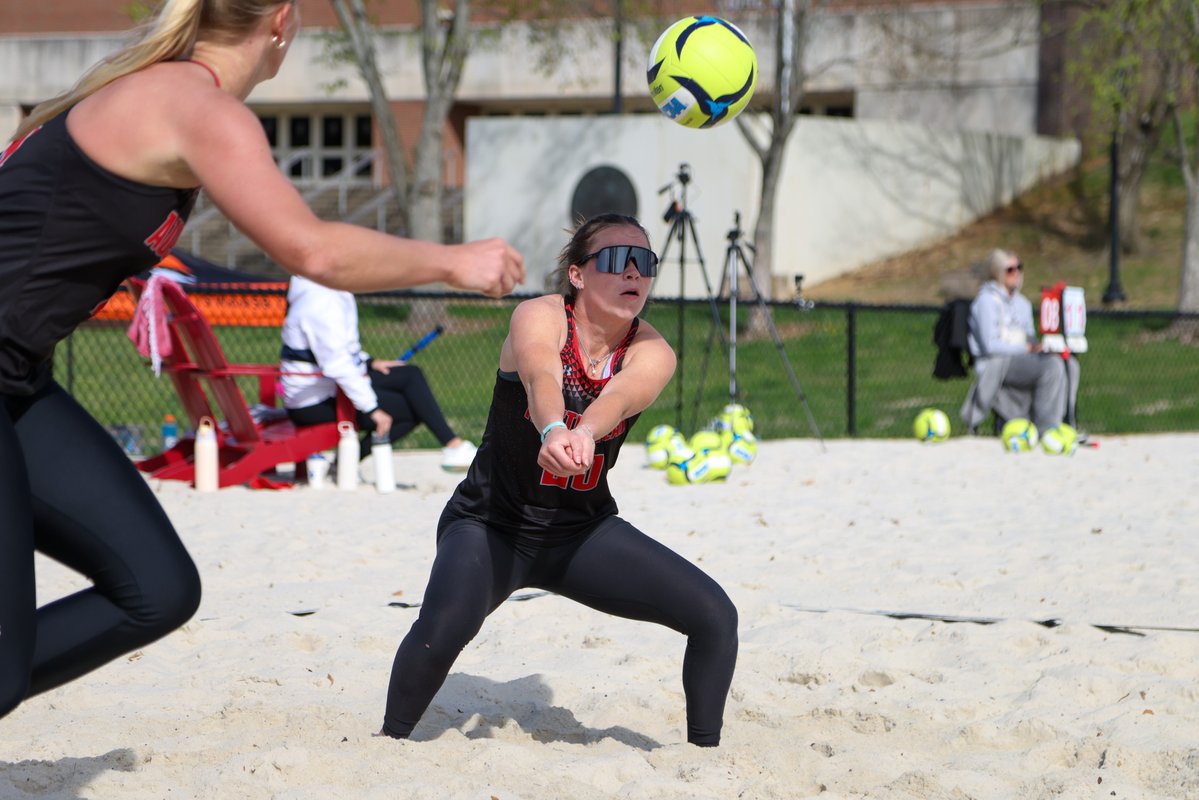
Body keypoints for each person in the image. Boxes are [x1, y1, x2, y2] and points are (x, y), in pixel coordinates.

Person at [0, 0, 523, 721]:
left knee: (155, 588)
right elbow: (314, 251)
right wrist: (454, 262)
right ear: (280, 21)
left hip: (17, 381)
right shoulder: (193, 104)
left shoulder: (159, 90)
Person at [379, 213, 739, 747]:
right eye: (617, 260)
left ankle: (705, 760)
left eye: (645, 262)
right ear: (577, 274)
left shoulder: (653, 350)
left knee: (715, 616)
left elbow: (619, 398)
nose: (633, 272)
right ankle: (388, 745)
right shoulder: (540, 315)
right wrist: (552, 427)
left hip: (581, 532)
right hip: (488, 524)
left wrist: (585, 432)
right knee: (443, 629)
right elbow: (540, 372)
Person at [280, 275, 477, 470]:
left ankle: (453, 445)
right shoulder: (320, 303)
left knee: (410, 374)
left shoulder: (328, 292)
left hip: (326, 387)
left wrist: (370, 362)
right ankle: (345, 463)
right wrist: (372, 409)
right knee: (410, 411)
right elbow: (337, 364)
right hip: (312, 403)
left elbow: (342, 350)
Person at [961, 248, 1079, 433]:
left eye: (1019, 267)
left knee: (1068, 363)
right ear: (997, 272)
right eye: (1010, 270)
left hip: (1020, 358)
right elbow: (990, 346)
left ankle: (1067, 421)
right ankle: (1046, 428)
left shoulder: (1022, 303)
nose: (1016, 273)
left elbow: (1030, 338)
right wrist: (1026, 348)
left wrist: (1044, 346)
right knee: (1051, 367)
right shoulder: (986, 301)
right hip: (996, 363)